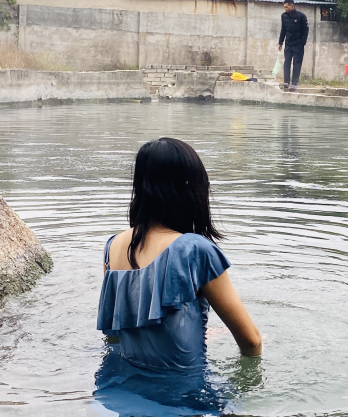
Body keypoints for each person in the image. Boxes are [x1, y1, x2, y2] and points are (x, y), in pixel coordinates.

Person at [97, 138, 262, 380]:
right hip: (184, 400)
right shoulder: (195, 250)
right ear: (190, 187)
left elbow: (116, 335)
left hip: (123, 389)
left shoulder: (113, 247)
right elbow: (250, 341)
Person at [277, 0, 309, 90]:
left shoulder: (301, 16)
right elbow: (283, 30)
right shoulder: (284, 16)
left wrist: (302, 42)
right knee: (287, 63)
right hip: (288, 44)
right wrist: (280, 42)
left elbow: (305, 30)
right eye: (284, 7)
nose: (285, 9)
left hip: (298, 44)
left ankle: (294, 84)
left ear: (292, 6)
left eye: (287, 7)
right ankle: (286, 82)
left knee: (297, 64)